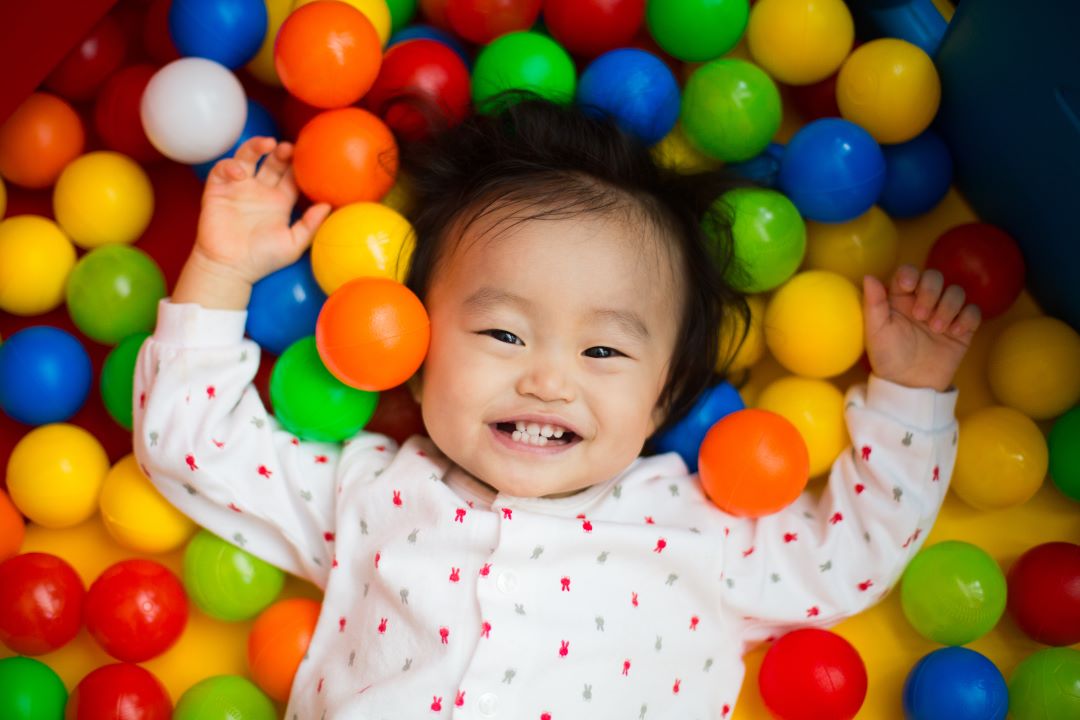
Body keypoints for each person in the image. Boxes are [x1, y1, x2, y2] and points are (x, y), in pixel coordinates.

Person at [132, 99, 981, 719]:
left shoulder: (700, 536)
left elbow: (847, 556)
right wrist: (221, 267)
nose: (548, 379)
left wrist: (911, 393)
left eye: (603, 352)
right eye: (503, 333)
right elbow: (195, 443)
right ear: (419, 361)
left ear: (661, 402)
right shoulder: (373, 495)